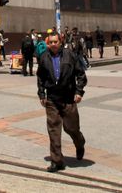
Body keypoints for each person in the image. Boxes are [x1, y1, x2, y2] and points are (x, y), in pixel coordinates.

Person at [36, 31, 86, 172]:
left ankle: (80, 143)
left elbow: (81, 74)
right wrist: (41, 94)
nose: (53, 44)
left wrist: (79, 91)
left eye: (55, 42)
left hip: (68, 98)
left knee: (71, 128)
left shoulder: (69, 55)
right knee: (53, 130)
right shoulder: (44, 57)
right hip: (52, 99)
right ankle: (56, 161)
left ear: (60, 42)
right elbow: (40, 78)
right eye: (50, 42)